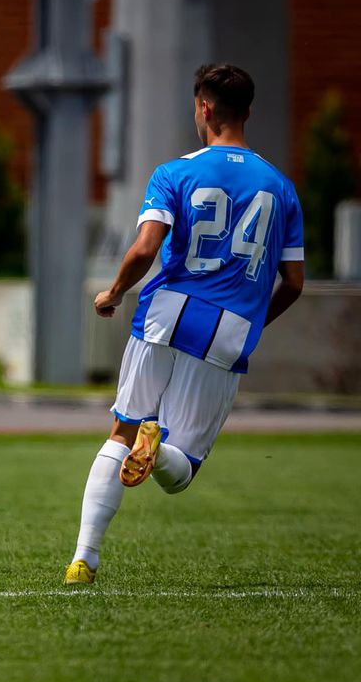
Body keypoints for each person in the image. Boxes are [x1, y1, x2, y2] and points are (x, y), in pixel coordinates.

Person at [65, 64, 305, 585]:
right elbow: (294, 282)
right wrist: (253, 323)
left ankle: (85, 557)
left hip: (166, 311)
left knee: (119, 432)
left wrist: (113, 292)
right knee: (180, 471)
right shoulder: (281, 188)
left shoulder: (174, 172)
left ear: (204, 108)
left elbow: (146, 248)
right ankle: (161, 447)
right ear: (248, 111)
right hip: (229, 327)